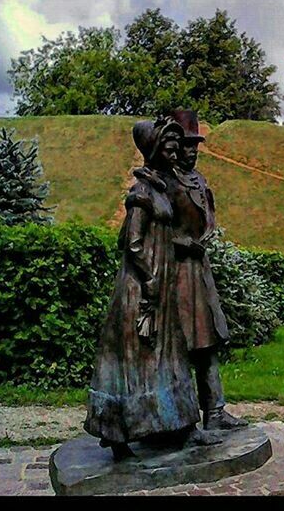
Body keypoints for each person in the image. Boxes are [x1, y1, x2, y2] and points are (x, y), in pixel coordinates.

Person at [84, 117, 201, 461]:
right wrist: (150, 280)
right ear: (154, 151)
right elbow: (133, 244)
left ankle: (179, 426)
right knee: (134, 360)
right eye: (168, 147)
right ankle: (117, 434)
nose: (175, 153)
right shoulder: (141, 193)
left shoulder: (159, 188)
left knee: (167, 356)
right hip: (142, 286)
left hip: (160, 282)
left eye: (176, 147)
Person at [169, 109, 247, 430]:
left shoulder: (199, 180)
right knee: (181, 345)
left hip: (200, 269)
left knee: (207, 340)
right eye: (187, 146)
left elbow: (207, 217)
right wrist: (182, 243)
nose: (192, 152)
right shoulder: (164, 181)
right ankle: (182, 420)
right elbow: (154, 229)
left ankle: (215, 411)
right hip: (176, 272)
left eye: (195, 146)